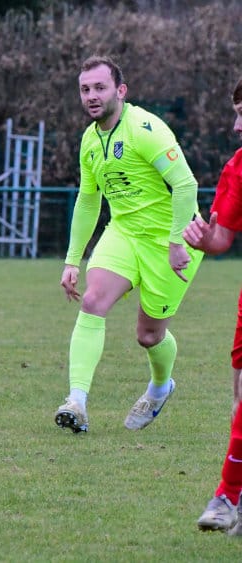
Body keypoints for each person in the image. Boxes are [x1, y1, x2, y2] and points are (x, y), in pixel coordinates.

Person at [54, 55, 203, 433]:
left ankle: (160, 387)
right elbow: (88, 200)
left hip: (171, 240)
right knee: (92, 301)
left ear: (120, 91)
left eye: (99, 88)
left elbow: (186, 185)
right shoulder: (90, 140)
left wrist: (175, 242)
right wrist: (72, 259)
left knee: (148, 336)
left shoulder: (145, 129)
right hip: (123, 233)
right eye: (85, 89)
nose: (91, 96)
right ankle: (76, 402)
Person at [186, 77, 242, 532]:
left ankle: (227, 495)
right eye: (237, 115)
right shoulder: (236, 168)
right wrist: (205, 239)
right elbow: (222, 238)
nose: (237, 126)